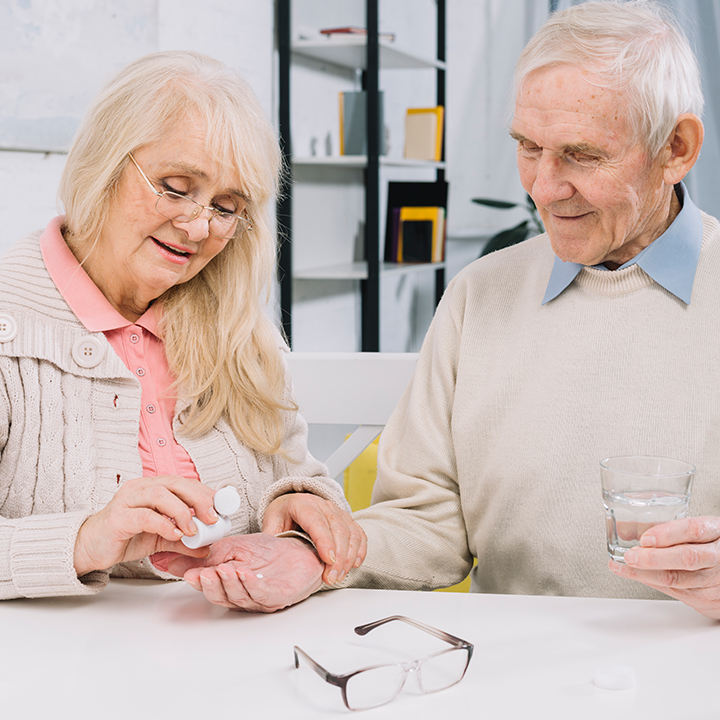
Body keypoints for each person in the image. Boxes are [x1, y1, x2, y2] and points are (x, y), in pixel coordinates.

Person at [218, 0, 720, 619]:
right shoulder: (481, 292)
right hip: (510, 672)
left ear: (676, 147)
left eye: (582, 154)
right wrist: (316, 556)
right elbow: (426, 522)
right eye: (528, 147)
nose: (542, 186)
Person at [0, 50, 365, 611]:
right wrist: (84, 539)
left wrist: (301, 522)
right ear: (103, 163)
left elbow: (298, 481)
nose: (198, 227)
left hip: (231, 652)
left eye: (225, 206)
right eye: (175, 186)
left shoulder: (238, 323)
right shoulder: (10, 318)